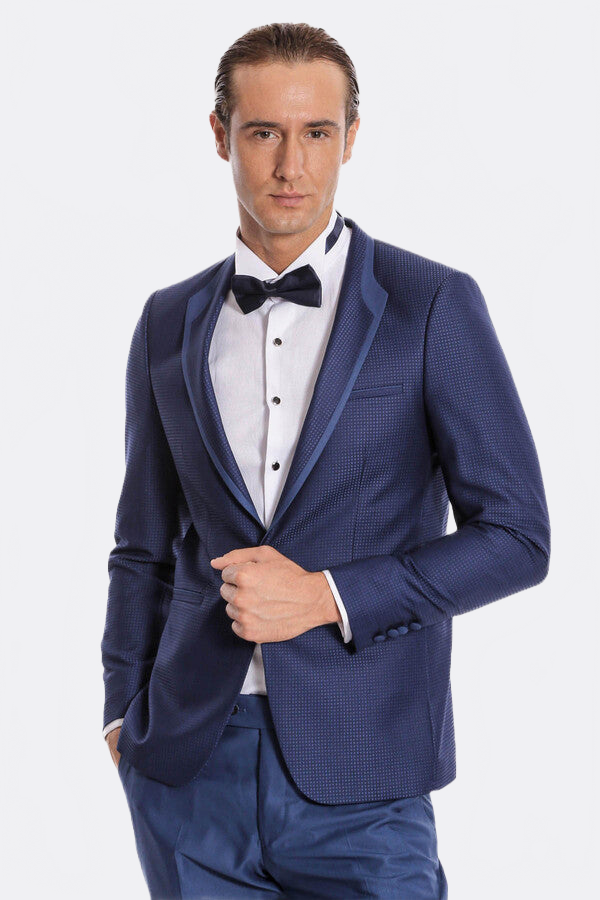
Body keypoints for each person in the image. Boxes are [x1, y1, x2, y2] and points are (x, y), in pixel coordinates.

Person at [101, 21, 550, 900]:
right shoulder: (167, 320)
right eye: (264, 132)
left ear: (350, 137)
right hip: (189, 769)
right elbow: (141, 547)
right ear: (221, 135)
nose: (290, 166)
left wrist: (326, 595)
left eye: (315, 133)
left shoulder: (431, 305)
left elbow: (517, 536)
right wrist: (123, 713)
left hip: (367, 770)